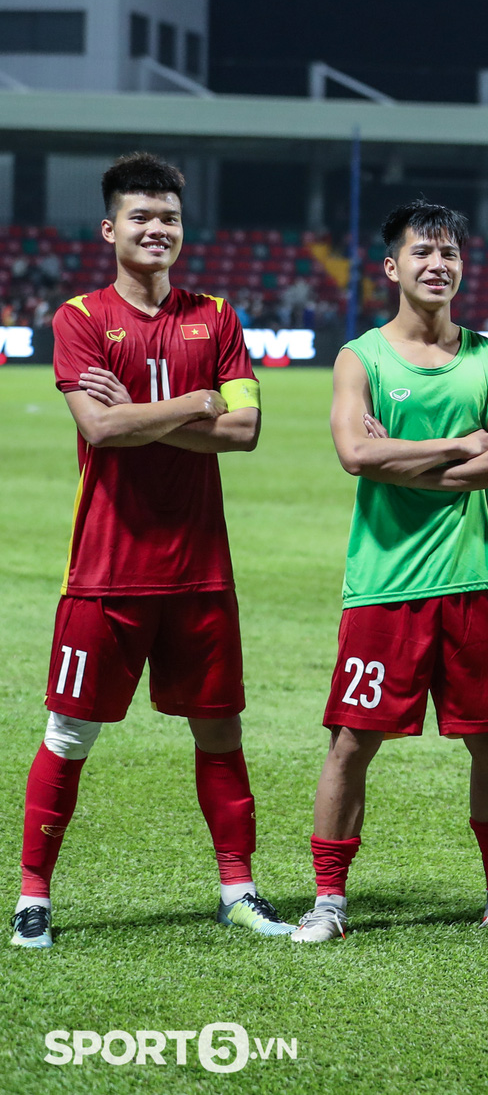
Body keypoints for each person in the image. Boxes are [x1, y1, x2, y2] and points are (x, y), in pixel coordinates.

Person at [12, 153, 287, 951]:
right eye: (141, 216)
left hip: (200, 572)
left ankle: (237, 889)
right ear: (110, 229)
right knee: (69, 734)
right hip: (105, 571)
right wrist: (194, 401)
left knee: (220, 731)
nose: (157, 228)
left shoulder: (218, 316)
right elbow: (99, 429)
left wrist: (149, 413)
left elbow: (245, 430)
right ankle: (34, 897)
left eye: (168, 216)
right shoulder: (80, 318)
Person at [295, 200, 488, 943]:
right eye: (421, 252)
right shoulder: (363, 357)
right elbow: (355, 455)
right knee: (352, 739)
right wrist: (460, 444)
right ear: (392, 266)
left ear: (461, 265)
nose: (436, 263)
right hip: (385, 583)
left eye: (447, 252)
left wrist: (405, 460)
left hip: (474, 576)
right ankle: (328, 899)